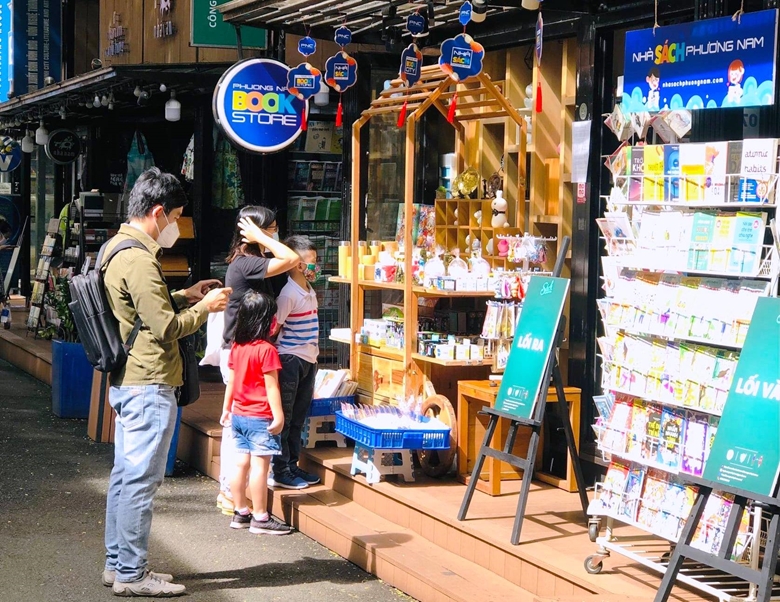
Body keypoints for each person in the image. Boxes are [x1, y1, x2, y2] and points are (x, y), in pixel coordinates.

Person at [102, 167, 232, 597]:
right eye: (175, 217)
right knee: (141, 482)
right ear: (158, 212)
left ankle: (118, 565)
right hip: (149, 382)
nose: (176, 226)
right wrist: (206, 308)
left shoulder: (116, 248)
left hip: (129, 379)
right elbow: (165, 328)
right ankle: (132, 573)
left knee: (126, 477)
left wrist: (185, 295)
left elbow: (140, 309)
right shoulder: (139, 258)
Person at [216, 206, 299, 514]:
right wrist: (260, 237)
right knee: (236, 430)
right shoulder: (246, 263)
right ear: (252, 231)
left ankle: (233, 494)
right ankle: (230, 493)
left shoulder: (249, 262)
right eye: (271, 228)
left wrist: (262, 237)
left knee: (236, 425)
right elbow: (292, 259)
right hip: (242, 352)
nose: (275, 233)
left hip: (242, 351)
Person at [220, 291, 291, 535]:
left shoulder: (237, 347)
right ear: (265, 321)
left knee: (240, 464)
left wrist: (226, 408)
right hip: (260, 416)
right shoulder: (267, 350)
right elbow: (272, 386)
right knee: (260, 466)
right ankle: (260, 517)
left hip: (239, 414)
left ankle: (240, 511)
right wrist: (279, 416)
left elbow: (231, 381)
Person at [269, 235, 321, 490]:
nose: (315, 267)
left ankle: (291, 464)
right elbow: (275, 326)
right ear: (297, 265)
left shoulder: (309, 290)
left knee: (299, 416)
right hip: (290, 359)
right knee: (286, 416)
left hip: (309, 358)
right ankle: (279, 469)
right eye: (311, 262)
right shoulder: (289, 294)